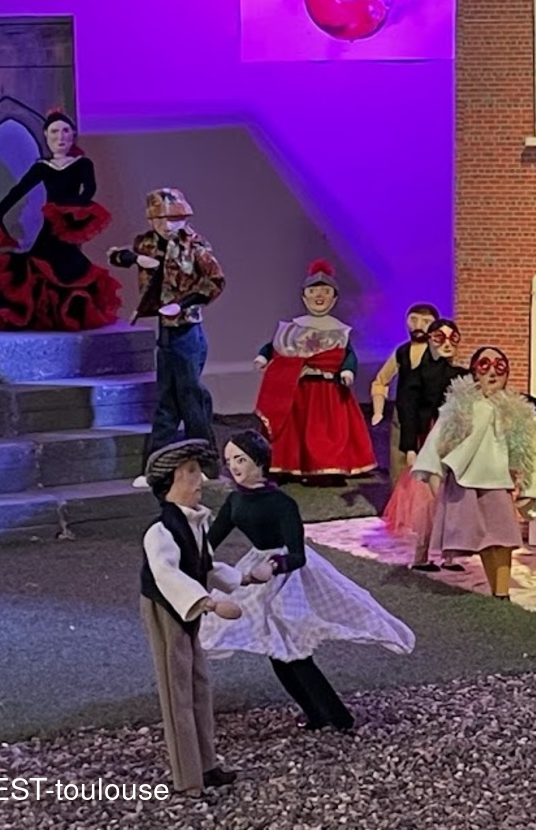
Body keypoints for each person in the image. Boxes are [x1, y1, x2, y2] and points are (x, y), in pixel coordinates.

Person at [202, 430, 415, 731]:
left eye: (240, 459)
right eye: (230, 461)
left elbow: (297, 555)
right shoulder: (236, 501)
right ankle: (315, 714)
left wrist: (274, 566)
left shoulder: (281, 503)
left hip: (288, 579)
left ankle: (338, 717)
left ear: (259, 461)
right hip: (256, 572)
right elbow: (212, 540)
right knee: (277, 651)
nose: (234, 467)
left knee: (294, 651)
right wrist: (189, 551)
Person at [138, 439, 248, 798]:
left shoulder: (196, 523)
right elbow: (166, 574)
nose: (199, 479)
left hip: (190, 610)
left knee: (199, 684)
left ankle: (206, 764)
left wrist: (243, 578)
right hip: (167, 609)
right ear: (169, 483)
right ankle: (188, 778)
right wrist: (211, 603)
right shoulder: (160, 531)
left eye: (197, 471)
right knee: (177, 691)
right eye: (189, 472)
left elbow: (206, 564)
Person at [109, 189, 225, 489]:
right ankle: (155, 467)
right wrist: (136, 258)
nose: (167, 225)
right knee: (166, 399)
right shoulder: (146, 243)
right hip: (166, 330)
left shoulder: (194, 246)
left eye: (173, 219)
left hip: (187, 329)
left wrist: (182, 304)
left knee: (190, 397)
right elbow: (116, 256)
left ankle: (207, 464)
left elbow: (215, 281)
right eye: (160, 219)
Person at [0, 110, 120, 331]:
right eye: (54, 132)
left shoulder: (82, 163)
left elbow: (89, 189)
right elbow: (19, 190)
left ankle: (68, 314)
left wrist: (74, 207)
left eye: (65, 131)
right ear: (46, 135)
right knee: (41, 264)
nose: (60, 137)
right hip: (51, 223)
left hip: (67, 222)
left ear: (73, 134)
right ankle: (42, 315)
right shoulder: (42, 167)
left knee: (66, 265)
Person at [413, 347, 536, 600]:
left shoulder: (514, 410)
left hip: (498, 481)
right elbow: (440, 436)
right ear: (474, 372)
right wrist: (433, 471)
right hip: (465, 480)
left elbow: (530, 449)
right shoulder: (461, 405)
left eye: (500, 367)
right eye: (485, 366)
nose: (492, 373)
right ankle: (498, 591)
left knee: (503, 537)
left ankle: (502, 591)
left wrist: (530, 486)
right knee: (485, 539)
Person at [253, 259, 376, 481]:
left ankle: (326, 468)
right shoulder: (292, 328)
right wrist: (263, 356)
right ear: (304, 296)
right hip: (297, 391)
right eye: (313, 291)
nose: (319, 296)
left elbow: (348, 355)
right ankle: (288, 465)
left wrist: (347, 371)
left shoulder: (339, 330)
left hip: (328, 392)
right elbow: (275, 346)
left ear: (334, 298)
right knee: (293, 429)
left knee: (326, 431)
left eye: (326, 291)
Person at [381, 318, 468, 570]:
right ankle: (421, 555)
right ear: (430, 340)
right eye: (440, 338)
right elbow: (407, 410)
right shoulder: (417, 375)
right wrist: (410, 446)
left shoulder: (460, 375)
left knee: (452, 497)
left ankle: (449, 555)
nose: (447, 344)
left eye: (453, 338)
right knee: (428, 500)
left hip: (454, 444)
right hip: (428, 442)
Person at [370, 302, 442, 484]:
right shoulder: (401, 352)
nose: (418, 326)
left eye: (425, 321)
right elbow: (381, 381)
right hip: (403, 412)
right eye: (413, 320)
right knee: (399, 458)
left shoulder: (439, 352)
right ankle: (400, 496)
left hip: (431, 413)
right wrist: (378, 411)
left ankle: (431, 498)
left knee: (430, 458)